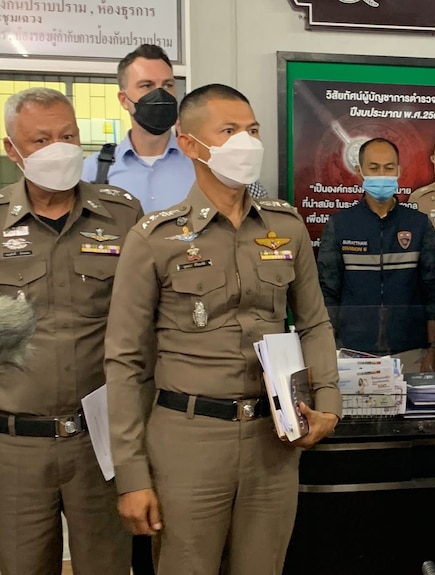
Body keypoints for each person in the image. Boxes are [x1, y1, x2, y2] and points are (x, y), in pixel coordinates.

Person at [103, 84, 341, 574]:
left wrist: (329, 404)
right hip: (188, 441)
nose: (246, 143)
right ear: (189, 144)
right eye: (229, 131)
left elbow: (314, 321)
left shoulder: (286, 226)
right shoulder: (155, 239)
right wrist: (131, 475)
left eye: (252, 130)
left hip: (272, 439)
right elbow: (125, 360)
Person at [0, 87, 142, 574]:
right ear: (11, 149)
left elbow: (147, 321)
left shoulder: (122, 214)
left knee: (107, 566)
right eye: (41, 140)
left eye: (68, 135)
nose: (58, 149)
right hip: (15, 446)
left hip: (99, 444)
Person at [81, 44, 268, 211]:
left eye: (168, 85)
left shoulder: (209, 159)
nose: (160, 94)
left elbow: (258, 220)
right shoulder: (93, 171)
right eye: (147, 86)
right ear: (123, 100)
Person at [317, 137, 435, 373]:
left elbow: (432, 291)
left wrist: (434, 348)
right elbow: (328, 292)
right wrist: (326, 350)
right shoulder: (340, 224)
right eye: (374, 168)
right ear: (360, 171)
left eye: (388, 168)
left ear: (399, 171)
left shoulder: (418, 224)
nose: (382, 174)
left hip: (411, 350)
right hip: (352, 351)